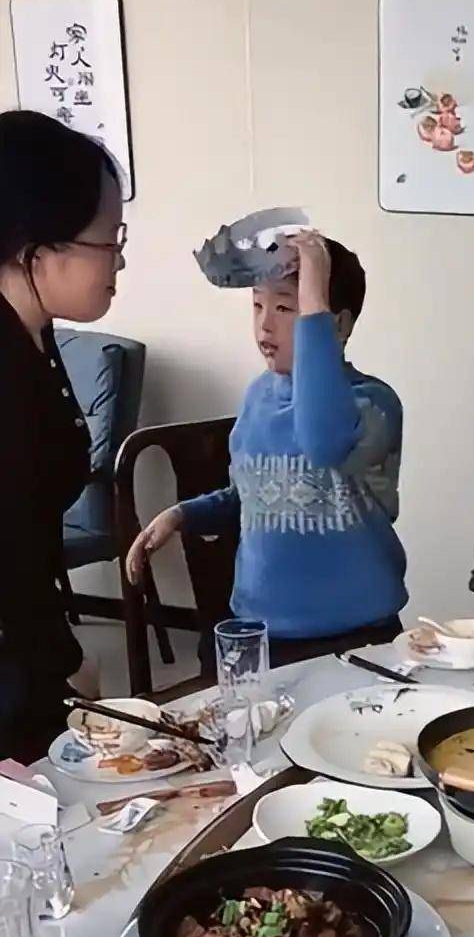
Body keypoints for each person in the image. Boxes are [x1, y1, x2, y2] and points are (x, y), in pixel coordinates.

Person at [127, 226, 408, 671]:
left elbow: (322, 442)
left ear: (337, 324)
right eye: (257, 305)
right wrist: (181, 515)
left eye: (286, 307)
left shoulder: (372, 405)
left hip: (358, 636)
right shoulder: (257, 397)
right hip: (263, 632)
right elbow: (252, 495)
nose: (265, 323)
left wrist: (315, 291)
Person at [0, 110, 126, 760]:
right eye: (107, 240)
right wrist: (64, 659)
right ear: (38, 253)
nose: (120, 258)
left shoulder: (35, 331)